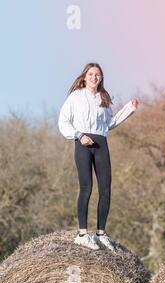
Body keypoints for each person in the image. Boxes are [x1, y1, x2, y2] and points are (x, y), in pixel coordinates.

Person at [58, 62, 138, 250]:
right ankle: (82, 234)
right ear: (85, 77)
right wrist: (79, 135)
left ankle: (101, 234)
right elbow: (63, 122)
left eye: (98, 75)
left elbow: (110, 123)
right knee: (86, 188)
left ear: (101, 78)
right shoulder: (75, 97)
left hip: (101, 143)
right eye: (91, 74)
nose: (95, 77)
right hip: (83, 144)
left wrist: (129, 109)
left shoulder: (104, 97)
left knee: (106, 189)